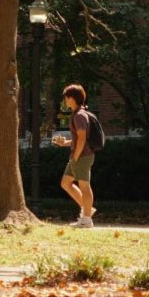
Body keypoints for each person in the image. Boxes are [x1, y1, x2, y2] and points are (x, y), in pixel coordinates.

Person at [53, 84, 96, 227]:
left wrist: (76, 156)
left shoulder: (79, 115)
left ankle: (87, 219)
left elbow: (83, 138)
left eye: (66, 98)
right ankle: (88, 210)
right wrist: (65, 143)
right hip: (77, 155)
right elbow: (78, 138)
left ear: (72, 99)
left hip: (82, 156)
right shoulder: (78, 114)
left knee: (84, 186)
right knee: (65, 183)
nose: (65, 101)